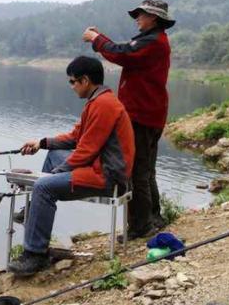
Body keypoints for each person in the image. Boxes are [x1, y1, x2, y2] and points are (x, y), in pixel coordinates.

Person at [8, 56, 134, 276]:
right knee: (54, 154)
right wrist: (42, 143)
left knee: (43, 187)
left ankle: (35, 255)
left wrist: (53, 176)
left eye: (72, 81)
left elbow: (86, 151)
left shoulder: (104, 105)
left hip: (106, 176)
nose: (72, 86)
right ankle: (32, 212)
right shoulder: (97, 101)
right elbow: (77, 137)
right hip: (98, 166)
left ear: (85, 80)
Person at [82, 0, 174, 240]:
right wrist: (99, 39)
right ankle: (154, 217)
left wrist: (95, 38)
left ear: (153, 18)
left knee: (135, 171)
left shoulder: (152, 42)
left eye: (141, 15)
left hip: (141, 115)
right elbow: (124, 51)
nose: (137, 18)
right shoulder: (155, 40)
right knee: (147, 170)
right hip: (151, 113)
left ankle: (141, 226)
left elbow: (121, 53)